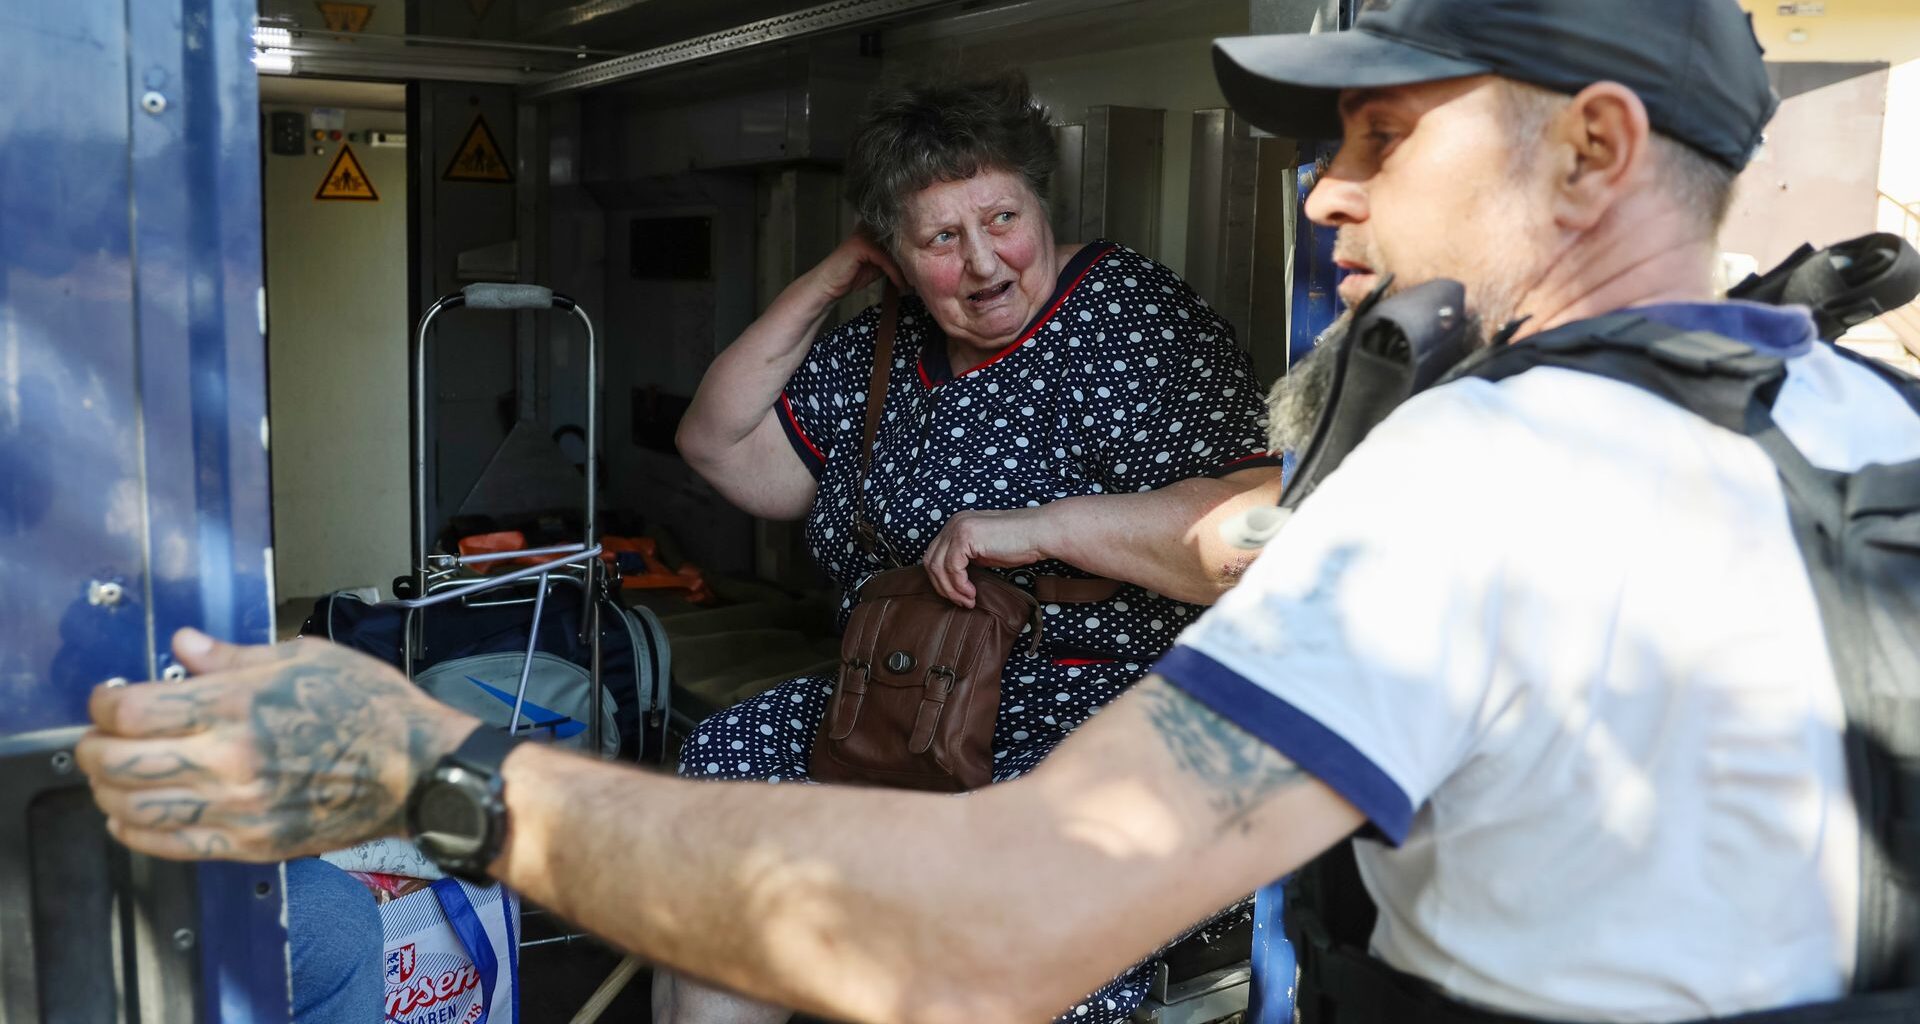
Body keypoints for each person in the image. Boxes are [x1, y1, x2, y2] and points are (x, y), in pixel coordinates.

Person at [75, 0, 1920, 1021]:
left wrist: (430, 770)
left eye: (1383, 136)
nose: (1329, 200)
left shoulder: (1480, 477)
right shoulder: (1869, 428)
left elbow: (1000, 928)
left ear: (1595, 149)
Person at [665, 70, 1279, 1023]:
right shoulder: (883, 343)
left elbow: (1255, 537)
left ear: (1042, 204)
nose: (984, 262)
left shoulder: (1131, 319)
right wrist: (835, 277)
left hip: (1103, 713)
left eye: (1002, 218)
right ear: (897, 257)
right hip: (905, 703)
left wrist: (1046, 526)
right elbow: (722, 448)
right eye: (941, 238)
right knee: (719, 785)